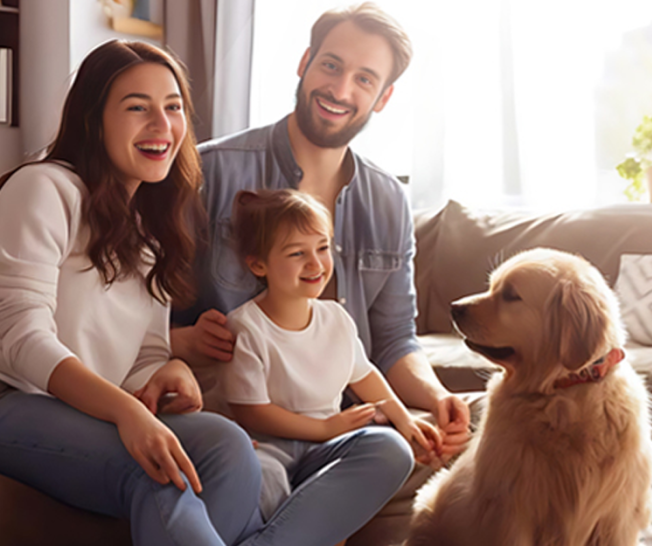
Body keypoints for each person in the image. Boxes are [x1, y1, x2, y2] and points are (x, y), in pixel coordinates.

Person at [170, 2, 471, 457]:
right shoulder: (210, 173)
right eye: (331, 65)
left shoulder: (389, 202)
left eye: (365, 79)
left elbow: (393, 341)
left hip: (351, 418)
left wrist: (437, 398)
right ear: (304, 63)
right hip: (238, 418)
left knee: (490, 418)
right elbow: (137, 305)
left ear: (383, 98)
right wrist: (180, 342)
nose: (340, 88)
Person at [0, 40, 263, 546]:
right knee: (159, 472)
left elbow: (142, 352)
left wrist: (169, 371)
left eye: (173, 107)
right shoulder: (43, 188)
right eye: (137, 108)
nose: (162, 126)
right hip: (15, 400)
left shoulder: (149, 230)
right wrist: (128, 412)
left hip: (87, 409)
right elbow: (19, 338)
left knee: (230, 447)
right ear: (92, 120)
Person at [221, 188, 433, 537]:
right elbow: (250, 411)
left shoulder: (335, 317)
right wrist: (324, 428)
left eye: (322, 248)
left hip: (327, 449)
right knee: (263, 478)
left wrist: (404, 419)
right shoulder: (246, 326)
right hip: (268, 448)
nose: (316, 264)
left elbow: (364, 377)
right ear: (259, 264)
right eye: (296, 253)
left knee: (391, 449)